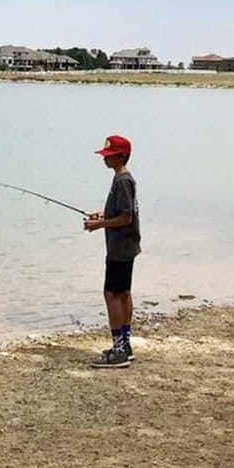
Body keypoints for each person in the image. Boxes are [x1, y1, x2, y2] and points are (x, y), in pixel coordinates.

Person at [84, 135, 140, 369]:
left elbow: (126, 218)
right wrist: (103, 216)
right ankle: (125, 345)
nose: (104, 159)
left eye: (109, 155)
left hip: (120, 247)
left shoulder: (122, 181)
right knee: (123, 293)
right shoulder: (123, 179)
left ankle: (118, 350)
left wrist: (100, 225)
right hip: (126, 245)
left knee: (112, 294)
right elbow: (122, 212)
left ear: (121, 156)